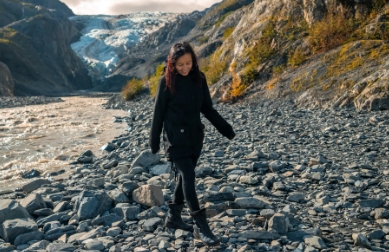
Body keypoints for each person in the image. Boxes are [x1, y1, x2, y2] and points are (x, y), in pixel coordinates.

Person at [149, 41, 235, 246]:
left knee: (183, 179)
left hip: (195, 137)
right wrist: (154, 142)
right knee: (188, 175)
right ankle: (200, 226)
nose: (185, 68)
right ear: (171, 64)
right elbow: (158, 114)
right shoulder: (166, 82)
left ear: (193, 61)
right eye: (180, 64)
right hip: (175, 139)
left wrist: (225, 128)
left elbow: (207, 109)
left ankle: (174, 219)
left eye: (188, 63)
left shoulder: (199, 79)